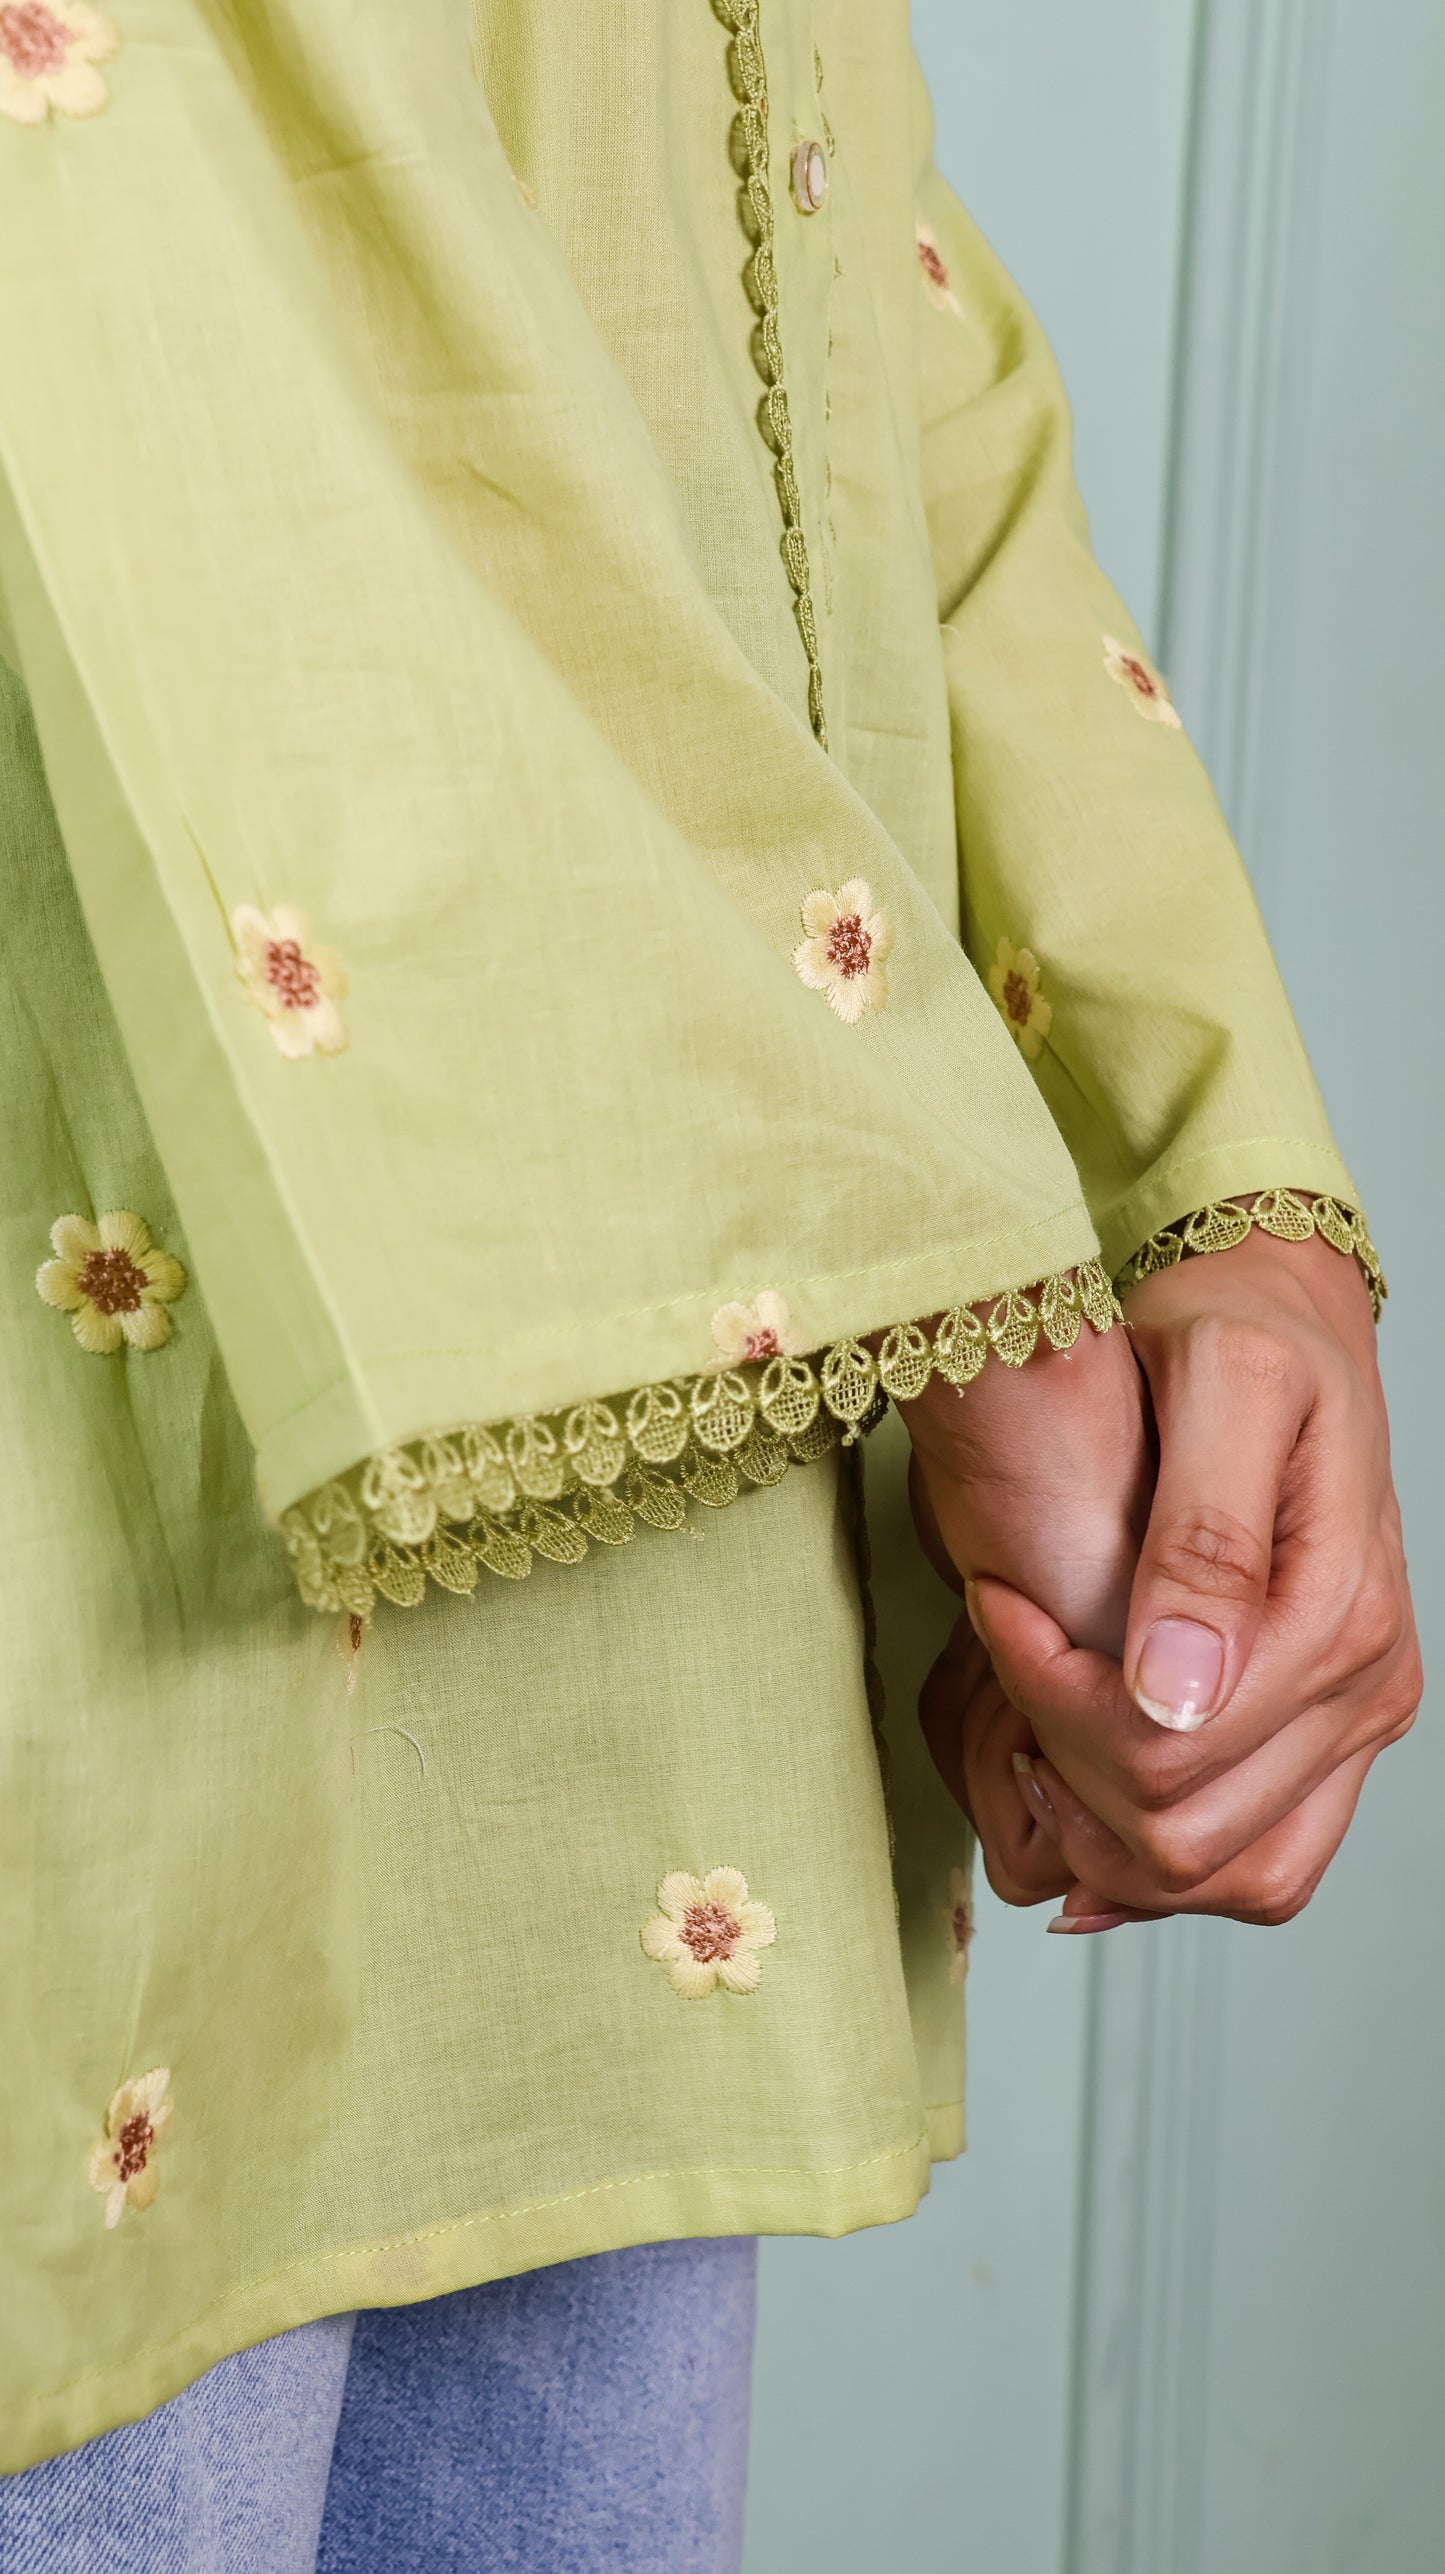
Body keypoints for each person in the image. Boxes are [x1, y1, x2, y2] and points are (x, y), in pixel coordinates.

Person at [0, 0, 1417, 2562]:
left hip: (644, 1614)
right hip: (96, 1466)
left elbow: (807, 169)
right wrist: (932, 1257)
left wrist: (1195, 1185)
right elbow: (103, 157)